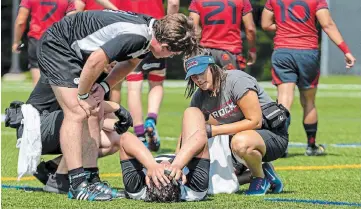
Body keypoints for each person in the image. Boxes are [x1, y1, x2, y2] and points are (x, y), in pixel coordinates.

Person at [37, 9, 196, 201]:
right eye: (172, 53)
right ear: (163, 45)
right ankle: (77, 185)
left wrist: (104, 87)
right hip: (58, 45)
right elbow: (96, 60)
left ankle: (90, 178)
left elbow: (129, 64)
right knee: (77, 112)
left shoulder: (150, 31)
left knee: (95, 109)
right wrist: (83, 94)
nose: (170, 57)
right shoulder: (137, 36)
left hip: (74, 49)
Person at [4, 72, 132, 200]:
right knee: (82, 114)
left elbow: (98, 117)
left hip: (57, 126)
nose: (114, 64)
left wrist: (118, 125)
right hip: (35, 126)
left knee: (113, 140)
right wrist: (116, 107)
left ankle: (51, 168)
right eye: (112, 59)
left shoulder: (100, 77)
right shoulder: (75, 65)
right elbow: (83, 106)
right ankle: (62, 179)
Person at [183, 48, 287, 195]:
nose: (198, 79)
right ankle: (264, 171)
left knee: (240, 143)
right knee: (217, 183)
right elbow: (189, 131)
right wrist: (177, 163)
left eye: (201, 72)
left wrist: (213, 130)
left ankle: (260, 178)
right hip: (235, 144)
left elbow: (255, 121)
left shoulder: (236, 81)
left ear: (211, 67)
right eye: (193, 76)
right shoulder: (199, 98)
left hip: (272, 135)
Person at [261, 0, 356, 156]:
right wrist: (346, 51)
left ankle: (280, 146)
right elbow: (327, 25)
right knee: (309, 101)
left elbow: (265, 24)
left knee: (284, 100)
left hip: (283, 51)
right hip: (307, 52)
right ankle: (311, 146)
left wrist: (287, 27)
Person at [117, 0, 180, 151]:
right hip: (157, 33)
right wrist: (169, 31)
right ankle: (151, 119)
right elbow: (173, 3)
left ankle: (139, 135)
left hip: (130, 31)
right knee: (156, 83)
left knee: (133, 88)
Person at [120, 107, 210, 202]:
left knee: (192, 112)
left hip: (160, 160)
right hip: (187, 161)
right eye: (169, 173)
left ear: (149, 181)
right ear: (179, 181)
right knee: (192, 113)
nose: (164, 165)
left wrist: (151, 165)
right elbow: (201, 136)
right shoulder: (194, 191)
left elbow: (125, 138)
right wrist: (177, 165)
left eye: (159, 174)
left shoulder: (137, 189)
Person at [12, 0, 76, 86]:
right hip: (58, 40)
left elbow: (20, 21)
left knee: (37, 79)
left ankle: (38, 98)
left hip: (36, 39)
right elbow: (72, 20)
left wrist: (16, 41)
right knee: (59, 79)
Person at [188, 0, 257, 71]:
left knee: (206, 81)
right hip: (231, 53)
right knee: (233, 81)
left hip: (205, 52)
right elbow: (250, 29)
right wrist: (252, 50)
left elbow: (192, 28)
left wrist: (193, 51)